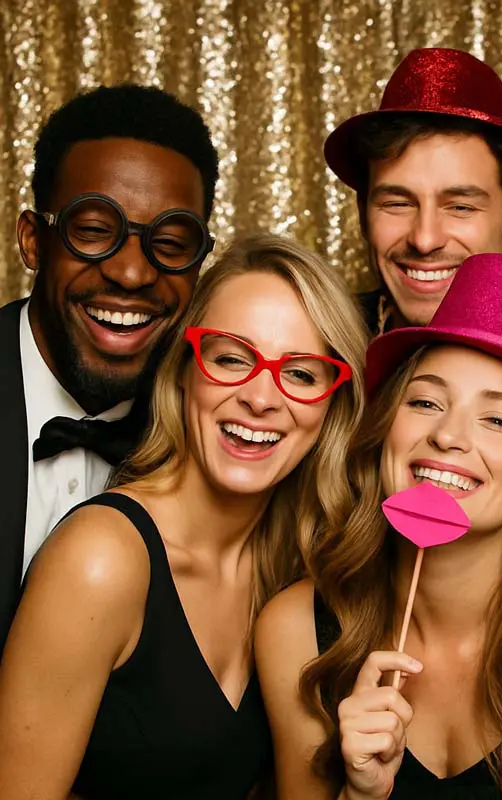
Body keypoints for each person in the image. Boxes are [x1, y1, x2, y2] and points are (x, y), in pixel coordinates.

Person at [256, 253, 502, 799]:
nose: (448, 436)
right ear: (385, 430)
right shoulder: (295, 630)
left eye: (498, 419)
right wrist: (360, 794)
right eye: (424, 401)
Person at [0, 235, 368, 800]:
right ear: (183, 371)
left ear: (332, 404)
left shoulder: (297, 576)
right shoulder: (101, 559)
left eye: (300, 373)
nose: (262, 398)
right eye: (231, 358)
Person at [0, 84, 220, 653]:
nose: (130, 273)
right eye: (95, 230)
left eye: (171, 242)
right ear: (32, 240)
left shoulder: (223, 435)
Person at [324, 47, 502, 334]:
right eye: (397, 204)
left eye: (460, 207)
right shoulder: (322, 348)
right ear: (362, 213)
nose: (424, 240)